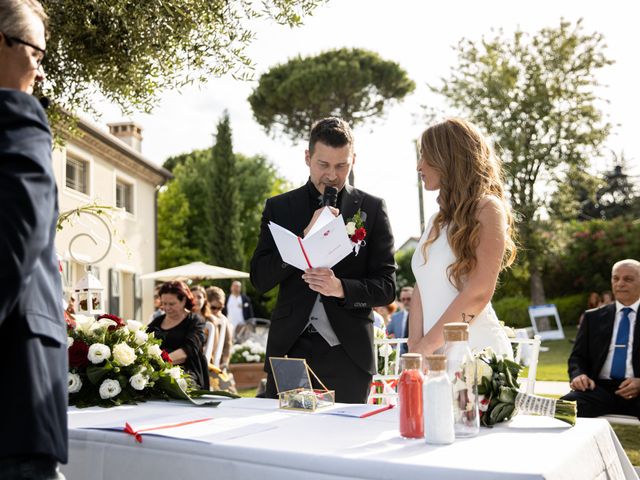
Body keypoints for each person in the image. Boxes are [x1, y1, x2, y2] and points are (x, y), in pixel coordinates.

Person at [250, 117, 396, 403]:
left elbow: (387, 286)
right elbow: (259, 279)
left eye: (341, 166)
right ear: (307, 157)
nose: (332, 175)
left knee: (343, 442)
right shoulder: (280, 208)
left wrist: (341, 288)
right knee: (286, 437)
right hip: (290, 350)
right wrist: (302, 241)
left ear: (354, 159)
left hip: (349, 353)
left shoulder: (372, 208)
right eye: (323, 165)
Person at [0, 1, 68, 477]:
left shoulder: (15, 114)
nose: (39, 72)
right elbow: (14, 235)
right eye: (37, 54)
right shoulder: (13, 114)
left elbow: (14, 237)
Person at [408, 118, 517, 358]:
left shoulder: (488, 208)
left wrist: (427, 347)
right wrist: (415, 345)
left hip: (474, 353)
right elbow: (421, 286)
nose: (419, 166)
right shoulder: (436, 221)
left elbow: (479, 291)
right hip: (431, 355)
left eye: (425, 156)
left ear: (447, 159)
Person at [561, 259, 640, 419]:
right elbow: (577, 358)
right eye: (615, 278)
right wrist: (579, 375)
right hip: (599, 389)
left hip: (638, 389)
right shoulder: (593, 317)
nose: (620, 284)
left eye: (628, 279)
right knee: (563, 408)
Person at [147, 281, 210, 389]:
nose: (166, 308)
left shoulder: (195, 321)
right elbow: (144, 342)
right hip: (158, 369)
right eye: (164, 303)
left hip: (186, 371)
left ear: (184, 300)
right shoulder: (157, 322)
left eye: (171, 304)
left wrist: (160, 363)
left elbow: (188, 351)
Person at [205, 286, 233, 369]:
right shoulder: (199, 317)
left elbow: (228, 343)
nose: (217, 310)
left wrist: (225, 362)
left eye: (220, 308)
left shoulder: (223, 320)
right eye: (213, 307)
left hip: (215, 362)